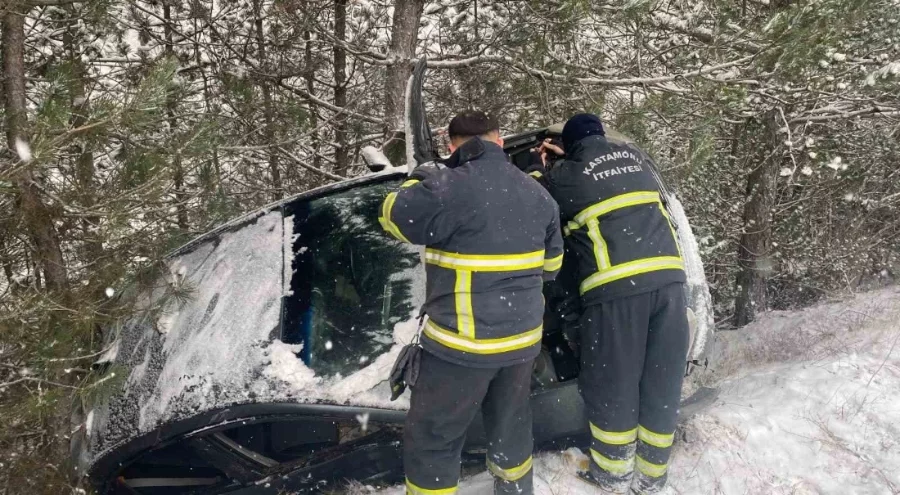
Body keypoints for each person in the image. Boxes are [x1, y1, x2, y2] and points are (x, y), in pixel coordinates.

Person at [379, 110, 564, 495]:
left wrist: (422, 174)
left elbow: (391, 216)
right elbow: (552, 267)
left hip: (459, 347)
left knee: (434, 440)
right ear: (500, 140)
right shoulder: (539, 195)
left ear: (451, 146)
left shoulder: (445, 187)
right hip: (520, 344)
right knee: (511, 427)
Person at [526, 113, 689, 494]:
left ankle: (613, 475)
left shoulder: (567, 175)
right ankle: (652, 475)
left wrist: (538, 164)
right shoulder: (639, 164)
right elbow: (603, 174)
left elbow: (536, 198)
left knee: (613, 382)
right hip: (669, 285)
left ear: (568, 144)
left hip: (617, 289)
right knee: (660, 380)